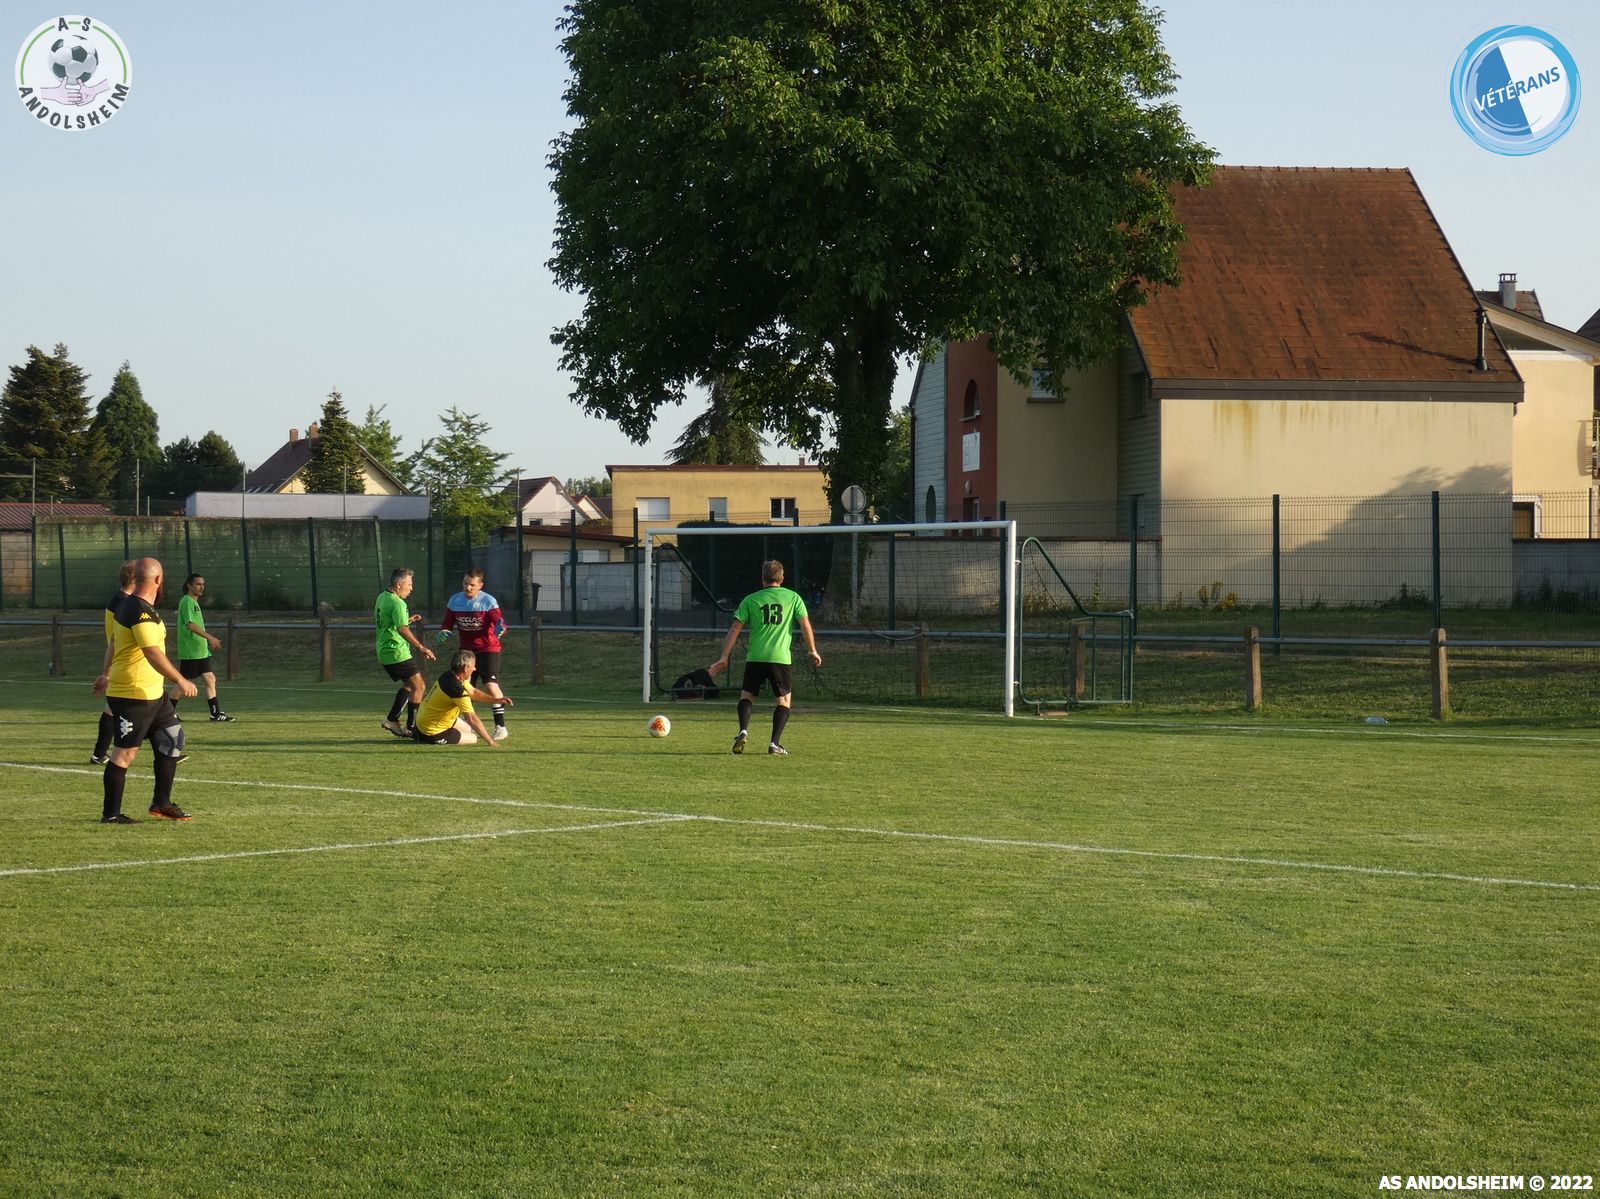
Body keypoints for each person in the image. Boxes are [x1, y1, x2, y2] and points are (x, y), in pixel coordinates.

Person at [94, 557, 199, 823]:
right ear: (158, 579)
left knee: (172, 740)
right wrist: (181, 680)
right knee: (124, 754)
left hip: (153, 693)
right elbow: (151, 652)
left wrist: (105, 673)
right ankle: (111, 815)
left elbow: (114, 642)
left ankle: (161, 803)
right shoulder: (138, 609)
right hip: (132, 694)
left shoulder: (136, 606)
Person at [707, 559, 822, 756]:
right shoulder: (793, 597)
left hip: (755, 657)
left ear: (762, 579)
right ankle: (774, 743)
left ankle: (743, 731)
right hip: (780, 658)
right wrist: (812, 650)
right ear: (782, 578)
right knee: (783, 701)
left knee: (747, 696)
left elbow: (735, 629)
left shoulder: (750, 599)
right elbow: (804, 624)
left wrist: (724, 657)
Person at [438, 567, 511, 740]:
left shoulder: (488, 601)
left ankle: (500, 726)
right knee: (464, 687)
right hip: (466, 651)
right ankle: (469, 726)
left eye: (472, 585)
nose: (468, 587)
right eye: (465, 583)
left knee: (491, 685)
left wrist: (501, 628)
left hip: (487, 649)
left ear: (480, 585)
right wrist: (444, 631)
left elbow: (500, 622)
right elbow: (447, 623)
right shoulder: (455, 601)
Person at [375, 566, 436, 737]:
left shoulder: (383, 597)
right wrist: (421, 647)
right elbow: (401, 629)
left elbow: (389, 623)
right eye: (409, 584)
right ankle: (412, 727)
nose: (411, 588)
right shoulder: (398, 603)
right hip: (395, 651)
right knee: (419, 685)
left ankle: (392, 720)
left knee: (410, 685)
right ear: (398, 584)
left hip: (385, 650)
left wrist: (406, 619)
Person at [90, 559, 138, 764]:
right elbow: (116, 638)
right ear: (135, 579)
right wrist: (107, 672)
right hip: (124, 662)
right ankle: (167, 750)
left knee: (115, 708)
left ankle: (99, 753)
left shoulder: (120, 600)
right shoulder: (123, 603)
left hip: (124, 661)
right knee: (150, 706)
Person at [411, 649, 513, 745]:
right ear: (465, 667)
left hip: (423, 722)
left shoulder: (449, 675)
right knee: (473, 738)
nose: (475, 669)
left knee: (469, 729)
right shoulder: (458, 690)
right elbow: (472, 718)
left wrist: (496, 700)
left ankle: (420, 733)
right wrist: (491, 742)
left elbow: (473, 692)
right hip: (432, 731)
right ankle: (426, 737)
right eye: (473, 665)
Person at [170, 573, 234, 721]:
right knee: (182, 682)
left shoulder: (194, 602)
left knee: (210, 679)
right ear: (189, 585)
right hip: (191, 651)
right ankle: (168, 713)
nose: (201, 587)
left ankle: (215, 714)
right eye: (198, 584)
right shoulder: (186, 601)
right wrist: (210, 637)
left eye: (203, 584)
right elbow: (190, 625)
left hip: (200, 651)